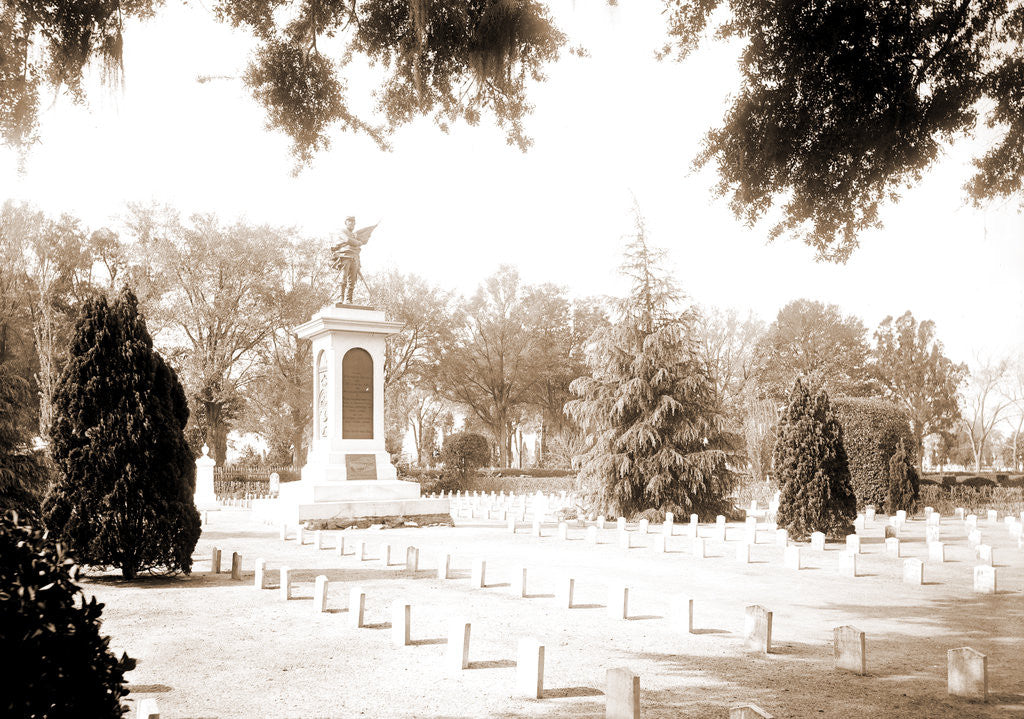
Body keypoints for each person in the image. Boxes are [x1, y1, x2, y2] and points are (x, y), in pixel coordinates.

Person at [330, 216, 377, 304]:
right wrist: (358, 242)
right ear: (346, 222)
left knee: (352, 281)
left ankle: (349, 299)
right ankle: (340, 298)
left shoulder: (355, 234)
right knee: (343, 278)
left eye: (353, 222)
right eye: (349, 221)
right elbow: (347, 239)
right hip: (345, 255)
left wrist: (364, 238)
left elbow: (363, 241)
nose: (351, 223)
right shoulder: (341, 231)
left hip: (355, 257)